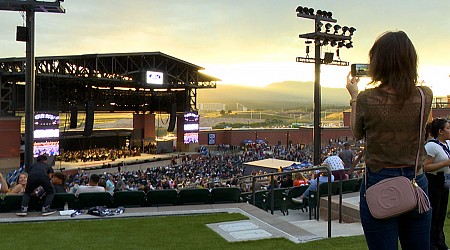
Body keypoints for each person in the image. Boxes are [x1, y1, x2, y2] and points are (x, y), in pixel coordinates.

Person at [346, 30, 433, 250]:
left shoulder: (367, 98)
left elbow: (356, 133)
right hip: (416, 181)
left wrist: (354, 96)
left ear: (378, 62)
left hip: (379, 181)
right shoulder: (425, 95)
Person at [423, 118, 450, 250]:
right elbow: (425, 167)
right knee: (434, 214)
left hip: (445, 181)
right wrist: (445, 163)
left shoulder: (448, 143)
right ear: (440, 131)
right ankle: (432, 243)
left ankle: (440, 242)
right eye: (447, 128)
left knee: (441, 214)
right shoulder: (431, 146)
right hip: (434, 181)